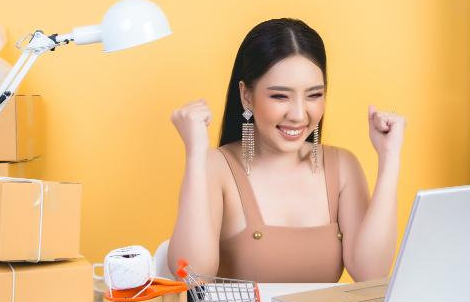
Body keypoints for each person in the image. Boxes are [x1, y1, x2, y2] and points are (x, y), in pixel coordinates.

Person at [168, 18, 405, 283]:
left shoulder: (343, 167)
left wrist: (389, 158)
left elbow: (371, 274)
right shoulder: (216, 166)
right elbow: (189, 278)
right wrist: (195, 154)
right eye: (280, 96)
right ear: (246, 96)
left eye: (314, 95)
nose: (298, 114)